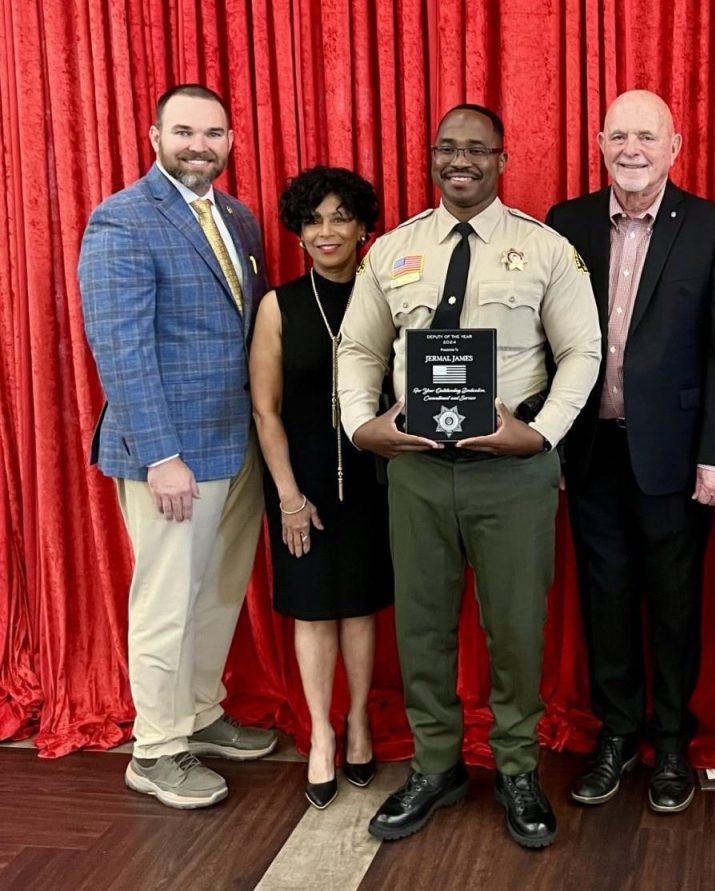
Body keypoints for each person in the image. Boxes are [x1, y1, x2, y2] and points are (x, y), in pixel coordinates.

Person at [338, 104, 601, 848]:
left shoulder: (546, 249)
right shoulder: (391, 250)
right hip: (416, 472)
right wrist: (363, 424)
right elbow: (359, 346)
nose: (462, 160)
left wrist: (540, 431)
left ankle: (517, 767)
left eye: (477, 149)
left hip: (511, 475)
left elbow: (584, 350)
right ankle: (436, 764)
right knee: (421, 630)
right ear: (431, 158)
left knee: (516, 628)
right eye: (448, 148)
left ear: (502, 159)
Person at [545, 89, 715, 815]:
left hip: (676, 456)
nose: (632, 149)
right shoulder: (565, 224)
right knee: (604, 600)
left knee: (672, 602)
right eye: (619, 136)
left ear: (675, 146)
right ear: (599, 142)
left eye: (647, 136)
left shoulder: (714, 229)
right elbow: (543, 342)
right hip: (589, 450)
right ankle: (616, 734)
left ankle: (670, 742)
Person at [79, 84, 277, 810]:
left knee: (221, 590)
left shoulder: (237, 216)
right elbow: (121, 347)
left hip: (238, 442)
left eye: (215, 132)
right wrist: (161, 454)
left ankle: (199, 710)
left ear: (230, 139)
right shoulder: (122, 221)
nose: (201, 144)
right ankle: (157, 748)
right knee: (166, 600)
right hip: (171, 456)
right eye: (185, 131)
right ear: (153, 134)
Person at [249, 166, 391, 810]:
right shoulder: (279, 305)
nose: (326, 231)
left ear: (364, 226)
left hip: (374, 481)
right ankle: (322, 738)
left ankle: (360, 722)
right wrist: (288, 497)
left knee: (360, 607)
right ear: (298, 232)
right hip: (300, 481)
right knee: (312, 610)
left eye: (340, 217)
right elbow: (265, 409)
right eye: (313, 220)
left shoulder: (388, 292)